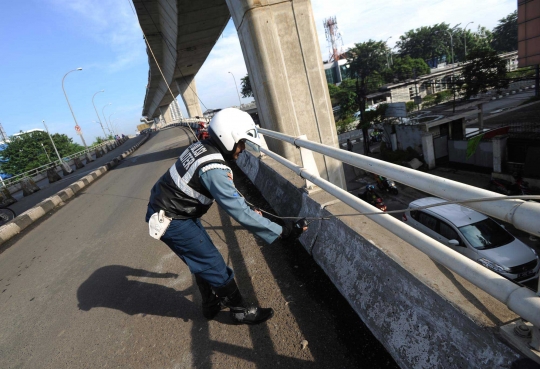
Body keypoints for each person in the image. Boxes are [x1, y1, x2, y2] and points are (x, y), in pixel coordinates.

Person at [145, 108, 307, 325]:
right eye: (241, 142)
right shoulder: (214, 168)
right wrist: (284, 231)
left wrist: (270, 220)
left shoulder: (202, 146)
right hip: (173, 218)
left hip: (174, 209)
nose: (243, 148)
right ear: (228, 138)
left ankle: (211, 305)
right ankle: (240, 310)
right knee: (212, 263)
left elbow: (238, 201)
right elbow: (239, 210)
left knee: (202, 258)